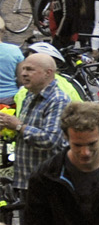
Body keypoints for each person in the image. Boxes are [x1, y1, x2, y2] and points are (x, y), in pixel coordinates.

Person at [0, 53, 71, 185]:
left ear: (48, 73)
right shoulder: (29, 95)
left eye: (30, 69)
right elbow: (23, 135)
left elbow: (50, 140)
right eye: (23, 69)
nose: (23, 74)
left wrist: (18, 126)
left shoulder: (58, 100)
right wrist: (7, 127)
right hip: (26, 178)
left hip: (47, 182)